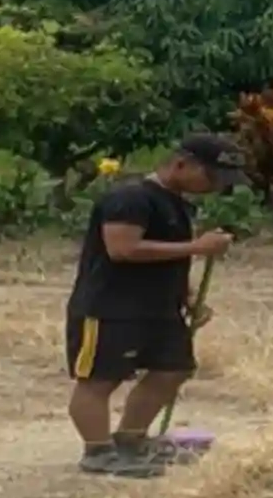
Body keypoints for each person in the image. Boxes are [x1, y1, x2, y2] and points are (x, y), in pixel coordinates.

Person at [64, 134, 247, 478]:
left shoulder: (176, 202)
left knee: (173, 369)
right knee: (99, 380)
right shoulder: (130, 198)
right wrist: (197, 248)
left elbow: (168, 254)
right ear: (182, 164)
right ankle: (97, 450)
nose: (218, 187)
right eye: (213, 177)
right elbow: (123, 249)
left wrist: (189, 296)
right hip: (110, 307)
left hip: (158, 307)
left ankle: (131, 439)